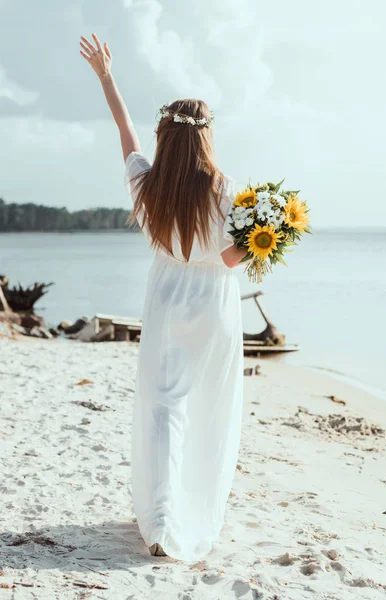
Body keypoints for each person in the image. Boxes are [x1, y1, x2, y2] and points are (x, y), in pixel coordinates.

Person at [80, 33, 249, 561]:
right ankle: (193, 511)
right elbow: (228, 258)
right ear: (206, 139)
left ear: (166, 138)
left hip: (166, 300)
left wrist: (107, 77)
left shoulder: (146, 186)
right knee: (210, 407)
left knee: (164, 409)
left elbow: (125, 132)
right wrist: (264, 237)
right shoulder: (224, 189)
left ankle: (160, 520)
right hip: (214, 306)